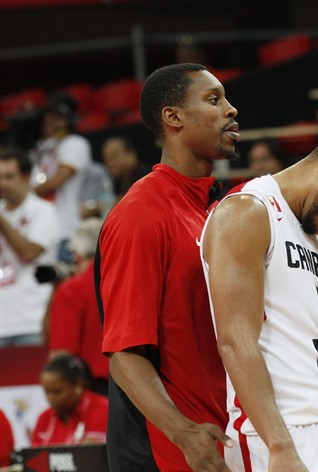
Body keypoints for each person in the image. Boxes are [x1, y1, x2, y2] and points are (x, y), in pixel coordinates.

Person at [201, 126, 318, 471]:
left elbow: (317, 340)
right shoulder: (248, 212)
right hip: (278, 430)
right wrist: (279, 445)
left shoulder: (317, 235)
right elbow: (235, 341)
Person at [96, 63, 237, 471]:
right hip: (167, 450)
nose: (231, 110)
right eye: (214, 100)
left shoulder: (213, 208)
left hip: (216, 436)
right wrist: (183, 433)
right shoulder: (141, 213)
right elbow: (124, 353)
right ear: (172, 117)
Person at [0, 147, 60, 347]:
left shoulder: (44, 211)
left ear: (25, 177)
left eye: (9, 177)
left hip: (31, 321)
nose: (2, 184)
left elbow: (28, 252)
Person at [48, 217, 108, 396]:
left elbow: (62, 356)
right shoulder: (130, 279)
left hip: (93, 389)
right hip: (140, 383)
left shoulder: (71, 290)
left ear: (76, 254)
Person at [29, 92, 92, 263]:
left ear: (68, 121)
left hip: (67, 230)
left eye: (57, 117)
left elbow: (58, 180)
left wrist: (24, 194)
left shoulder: (75, 143)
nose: (50, 121)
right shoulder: (42, 147)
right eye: (48, 116)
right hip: (41, 230)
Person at [31, 354, 108, 446]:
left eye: (57, 392)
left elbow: (98, 455)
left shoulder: (104, 410)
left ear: (78, 384)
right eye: (47, 392)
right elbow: (33, 458)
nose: (51, 398)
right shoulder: (44, 418)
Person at [101, 135, 150, 201]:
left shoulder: (147, 175)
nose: (110, 163)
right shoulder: (116, 181)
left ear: (132, 154)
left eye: (114, 156)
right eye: (107, 159)